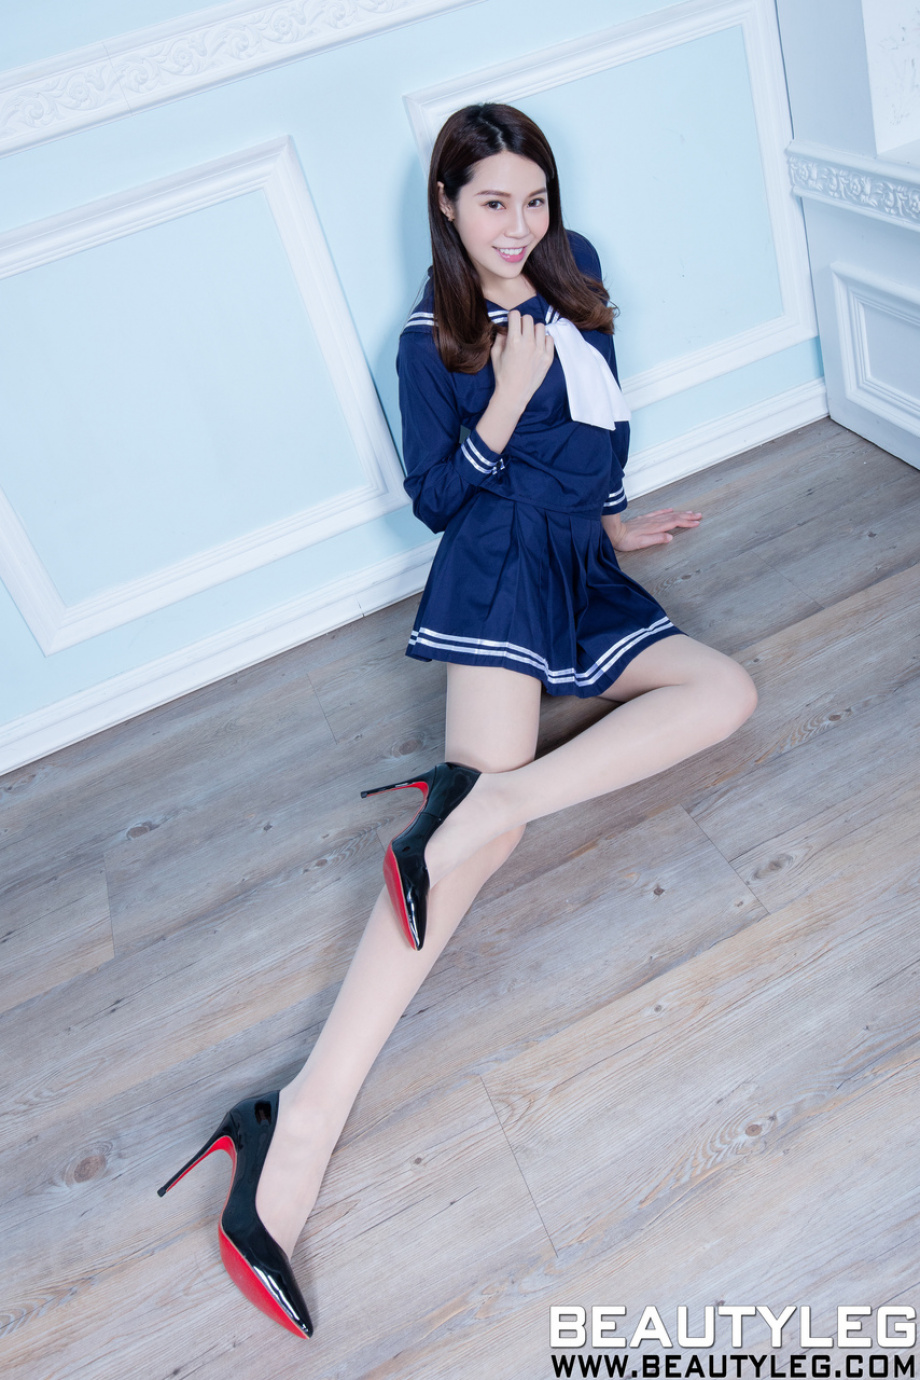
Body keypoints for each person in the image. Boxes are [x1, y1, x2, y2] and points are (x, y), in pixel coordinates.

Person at [158, 103, 757, 1339]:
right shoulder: (426, 335)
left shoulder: (572, 264)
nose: (517, 227)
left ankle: (480, 800)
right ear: (445, 203)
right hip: (493, 563)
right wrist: (501, 395)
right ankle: (295, 1124)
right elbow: (437, 501)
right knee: (474, 861)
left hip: (576, 563)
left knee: (723, 693)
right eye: (491, 203)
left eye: (532, 200)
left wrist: (609, 523)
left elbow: (598, 420)